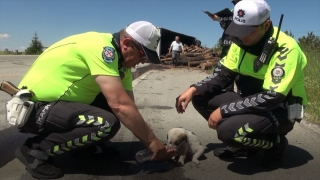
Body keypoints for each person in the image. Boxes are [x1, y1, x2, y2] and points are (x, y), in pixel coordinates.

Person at [13, 21, 175, 179]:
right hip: (34, 109)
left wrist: (152, 140)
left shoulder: (121, 66)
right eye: (143, 55)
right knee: (105, 123)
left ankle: (82, 148)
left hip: (57, 106)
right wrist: (152, 142)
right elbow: (120, 106)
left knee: (116, 110)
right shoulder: (102, 48)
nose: (142, 61)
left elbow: (128, 106)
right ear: (126, 43)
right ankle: (35, 150)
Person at [176, 0, 307, 170]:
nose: (241, 37)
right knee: (200, 97)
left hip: (279, 108)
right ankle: (248, 144)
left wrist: (224, 111)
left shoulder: (286, 48)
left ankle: (276, 145)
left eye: (247, 32)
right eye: (238, 31)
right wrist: (193, 89)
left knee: (228, 132)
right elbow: (222, 75)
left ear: (265, 25)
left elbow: (272, 97)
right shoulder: (240, 43)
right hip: (250, 99)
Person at [205, 0, 241, 92]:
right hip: (228, 42)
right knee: (225, 67)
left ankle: (242, 93)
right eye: (234, 3)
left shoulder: (247, 9)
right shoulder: (232, 11)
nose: (235, 3)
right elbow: (223, 21)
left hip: (239, 42)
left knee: (240, 69)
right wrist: (215, 17)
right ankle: (228, 93)